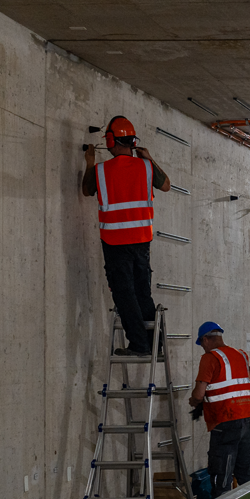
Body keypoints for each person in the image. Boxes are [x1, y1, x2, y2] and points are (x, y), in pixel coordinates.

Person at [82, 116, 171, 355]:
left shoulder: (101, 170)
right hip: (142, 240)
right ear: (133, 142)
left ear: (111, 140)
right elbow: (166, 185)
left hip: (115, 241)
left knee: (124, 294)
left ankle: (140, 345)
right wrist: (149, 158)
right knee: (142, 292)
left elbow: (86, 189)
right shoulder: (145, 166)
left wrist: (89, 161)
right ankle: (156, 344)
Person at [188, 321, 250, 499]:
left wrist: (194, 401)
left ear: (207, 339)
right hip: (247, 418)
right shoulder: (241, 354)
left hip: (225, 421)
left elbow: (200, 393)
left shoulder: (210, 358)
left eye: (201, 343)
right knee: (245, 469)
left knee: (221, 472)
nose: (202, 347)